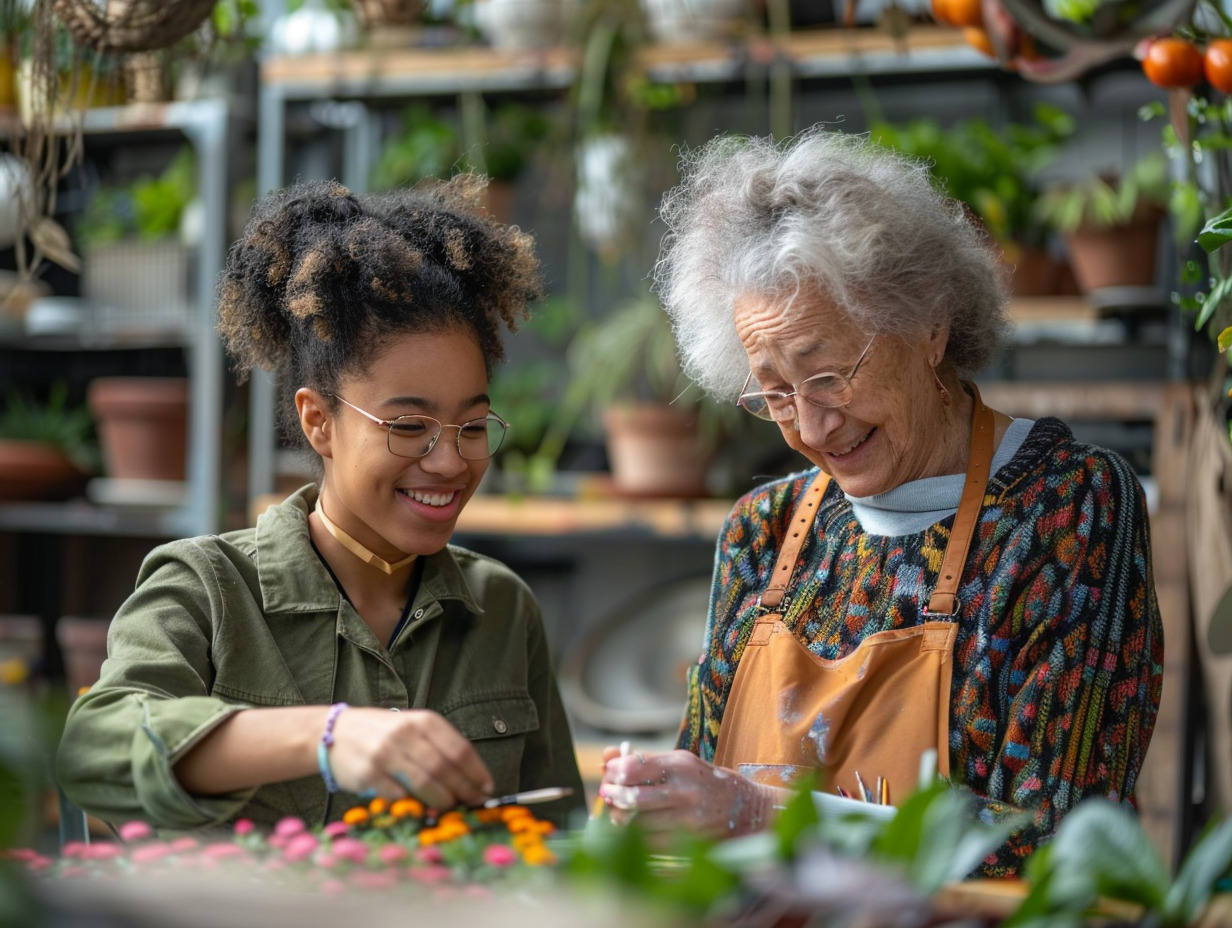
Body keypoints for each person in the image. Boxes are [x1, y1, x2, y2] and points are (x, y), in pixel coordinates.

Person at [597, 129, 1163, 875]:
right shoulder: (762, 535)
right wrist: (656, 807)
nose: (812, 425)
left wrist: (763, 814)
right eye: (774, 393)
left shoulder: (1066, 508)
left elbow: (1058, 843)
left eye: (827, 374)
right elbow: (701, 794)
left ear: (928, 323)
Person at [56, 175, 585, 831]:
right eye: (408, 427)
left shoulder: (501, 609)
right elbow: (93, 750)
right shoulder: (208, 589)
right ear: (320, 422)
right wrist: (327, 737)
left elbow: (558, 836)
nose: (449, 461)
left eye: (472, 428)